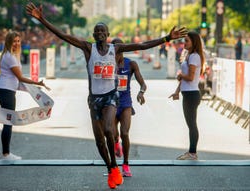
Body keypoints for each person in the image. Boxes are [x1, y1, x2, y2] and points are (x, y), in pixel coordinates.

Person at [26, 2, 187, 189]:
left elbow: (142, 45)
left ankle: (116, 166)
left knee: (110, 130)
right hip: (94, 99)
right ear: (94, 35)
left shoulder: (115, 49)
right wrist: (42, 19)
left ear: (108, 35)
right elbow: (63, 35)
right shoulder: (88, 48)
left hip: (111, 96)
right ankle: (112, 167)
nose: (100, 33)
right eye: (97, 31)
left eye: (103, 31)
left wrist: (167, 37)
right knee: (99, 141)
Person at [0, 31, 47, 160]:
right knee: (8, 122)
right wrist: (37, 82)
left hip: (6, 90)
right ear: (9, 42)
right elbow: (20, 77)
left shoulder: (10, 55)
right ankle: (6, 154)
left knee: (8, 121)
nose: (17, 43)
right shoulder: (10, 57)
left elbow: (15, 80)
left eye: (18, 41)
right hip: (6, 92)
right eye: (14, 41)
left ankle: (6, 153)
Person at [111, 38, 146, 177]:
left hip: (125, 103)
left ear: (124, 49)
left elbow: (143, 83)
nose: (117, 51)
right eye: (114, 48)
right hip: (111, 103)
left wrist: (141, 92)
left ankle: (125, 164)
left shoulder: (131, 64)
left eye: (120, 48)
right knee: (113, 135)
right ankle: (115, 143)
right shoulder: (108, 64)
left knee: (125, 133)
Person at [169, 31, 205, 160]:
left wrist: (180, 75)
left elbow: (189, 77)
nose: (184, 43)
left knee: (192, 124)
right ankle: (191, 152)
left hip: (192, 95)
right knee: (190, 124)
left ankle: (192, 152)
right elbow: (185, 78)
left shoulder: (194, 56)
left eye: (187, 41)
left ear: (193, 42)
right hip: (188, 94)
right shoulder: (189, 55)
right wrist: (177, 91)